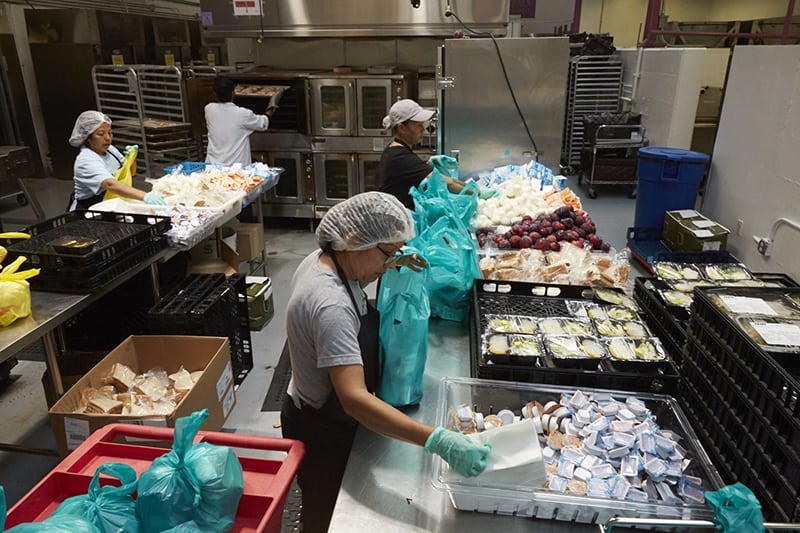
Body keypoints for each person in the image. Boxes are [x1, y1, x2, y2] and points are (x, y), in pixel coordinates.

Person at [280, 191, 492, 533]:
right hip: (321, 427)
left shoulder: (323, 259)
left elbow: (362, 268)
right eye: (387, 253)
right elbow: (354, 400)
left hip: (318, 408)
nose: (386, 263)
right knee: (325, 514)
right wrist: (436, 440)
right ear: (354, 241)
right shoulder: (331, 305)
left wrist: (395, 261)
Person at [378, 99, 495, 210]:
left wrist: (427, 165)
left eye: (422, 124)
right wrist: (479, 193)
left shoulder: (394, 150)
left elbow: (410, 175)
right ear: (402, 128)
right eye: (418, 125)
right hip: (399, 223)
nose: (423, 129)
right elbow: (448, 184)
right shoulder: (400, 157)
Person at [68, 111, 165, 211]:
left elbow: (130, 172)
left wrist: (131, 158)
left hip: (113, 203)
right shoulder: (86, 160)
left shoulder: (110, 150)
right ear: (88, 137)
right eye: (101, 134)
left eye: (110, 133)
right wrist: (146, 196)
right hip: (90, 210)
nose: (107, 138)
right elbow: (110, 185)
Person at [204, 76, 283, 166]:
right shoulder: (243, 114)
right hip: (236, 170)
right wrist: (272, 106)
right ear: (234, 93)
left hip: (213, 168)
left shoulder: (209, 109)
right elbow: (263, 123)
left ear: (214, 94)